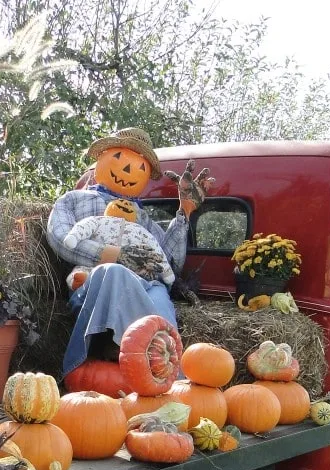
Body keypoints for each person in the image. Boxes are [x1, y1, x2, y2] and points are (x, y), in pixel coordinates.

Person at [46, 127, 210, 374]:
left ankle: (165, 374)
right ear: (102, 157)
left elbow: (169, 263)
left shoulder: (142, 218)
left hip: (143, 284)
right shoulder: (75, 200)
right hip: (92, 281)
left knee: (157, 293)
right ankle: (166, 377)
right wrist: (114, 256)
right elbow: (59, 238)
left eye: (140, 167)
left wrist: (184, 210)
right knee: (113, 273)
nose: (127, 171)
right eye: (120, 159)